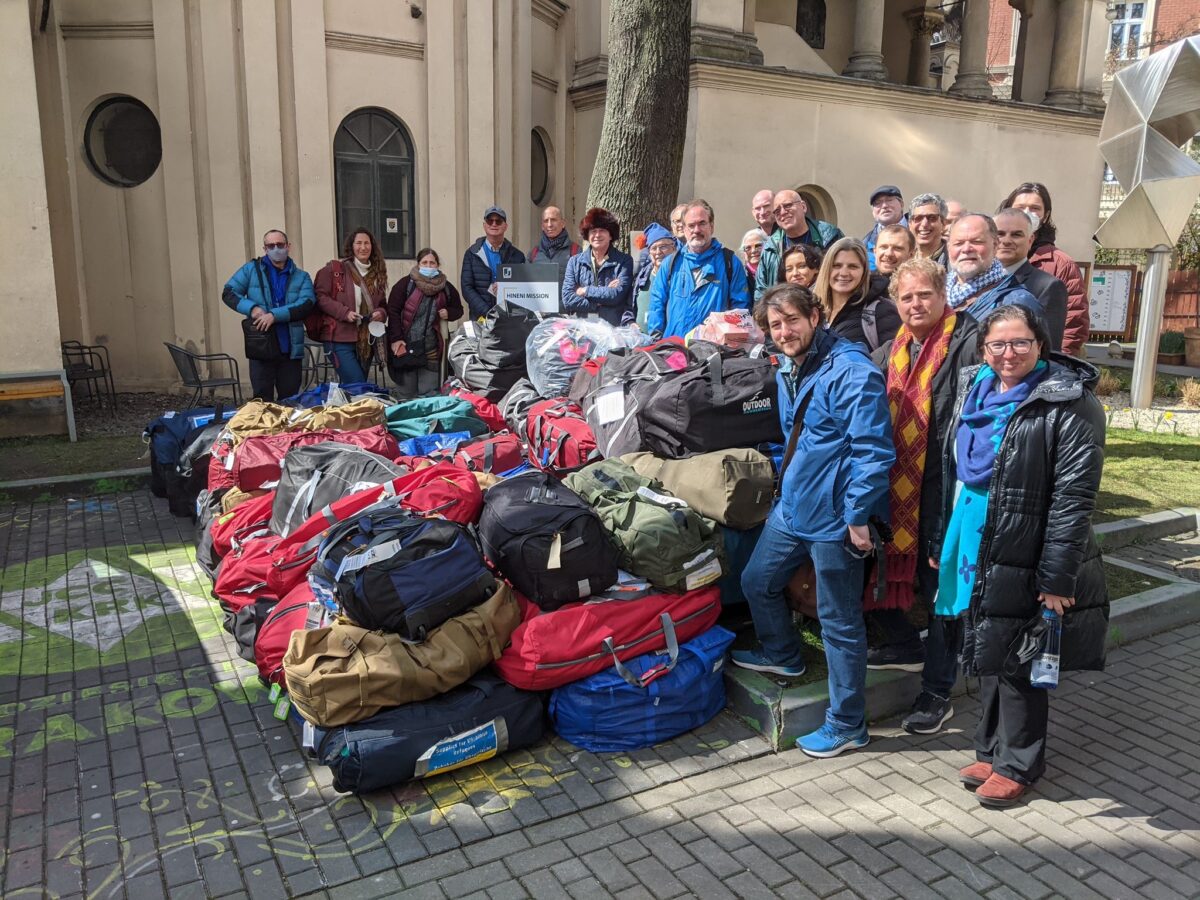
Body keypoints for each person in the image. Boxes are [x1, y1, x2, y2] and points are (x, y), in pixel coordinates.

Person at [941, 304, 1107, 807]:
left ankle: (1020, 764)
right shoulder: (977, 389)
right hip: (975, 534)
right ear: (983, 347)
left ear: (1041, 345)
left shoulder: (1069, 404)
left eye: (1019, 343)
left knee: (1019, 656)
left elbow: (1073, 498)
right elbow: (953, 471)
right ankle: (991, 750)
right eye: (997, 344)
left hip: (1027, 545)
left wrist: (1056, 579)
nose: (1007, 353)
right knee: (989, 647)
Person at [734, 283, 894, 758]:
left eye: (792, 321)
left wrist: (859, 515)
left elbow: (873, 451)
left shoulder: (851, 372)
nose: (784, 331)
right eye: (775, 324)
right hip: (794, 508)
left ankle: (848, 724)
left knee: (839, 623)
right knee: (756, 581)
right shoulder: (791, 364)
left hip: (836, 520)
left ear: (816, 316)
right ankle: (783, 656)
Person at [866, 258, 978, 736]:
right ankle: (906, 647)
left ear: (942, 294)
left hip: (949, 486)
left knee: (941, 591)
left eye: (924, 295)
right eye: (907, 297)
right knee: (899, 576)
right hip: (900, 487)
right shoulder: (893, 350)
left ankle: (937, 691)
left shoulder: (967, 342)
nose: (916, 304)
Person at [222, 229, 315, 401]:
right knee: (261, 402)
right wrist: (252, 309)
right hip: (261, 346)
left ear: (288, 246)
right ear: (264, 249)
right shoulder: (250, 270)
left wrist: (274, 315)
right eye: (271, 246)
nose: (276, 249)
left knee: (290, 401)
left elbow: (307, 304)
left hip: (290, 349)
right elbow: (228, 293)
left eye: (280, 245)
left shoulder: (302, 277)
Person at [1001, 182, 1088, 356]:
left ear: (1046, 215)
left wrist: (1055, 366)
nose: (1027, 213)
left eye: (1034, 208)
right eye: (1020, 207)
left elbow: (1074, 323)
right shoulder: (991, 258)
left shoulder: (1060, 263)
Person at [646, 199, 749, 338]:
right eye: (691, 225)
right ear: (684, 229)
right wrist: (656, 341)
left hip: (714, 350)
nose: (697, 230)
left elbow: (740, 308)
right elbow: (656, 306)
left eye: (702, 223)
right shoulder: (671, 263)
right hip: (675, 349)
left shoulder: (729, 262)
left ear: (711, 226)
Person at [311, 228, 388, 385]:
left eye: (367, 243)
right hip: (339, 338)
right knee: (357, 384)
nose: (363, 247)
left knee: (353, 390)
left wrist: (380, 313)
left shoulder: (378, 274)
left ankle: (345, 409)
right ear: (351, 246)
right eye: (358, 243)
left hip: (366, 341)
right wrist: (344, 313)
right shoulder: (335, 271)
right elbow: (320, 297)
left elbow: (382, 305)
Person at [386, 248, 463, 399]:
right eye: (424, 262)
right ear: (418, 264)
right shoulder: (405, 284)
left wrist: (449, 313)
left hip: (431, 352)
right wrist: (396, 339)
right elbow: (393, 311)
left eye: (432, 263)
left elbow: (458, 309)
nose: (428, 266)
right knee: (405, 396)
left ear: (437, 265)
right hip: (407, 349)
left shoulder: (446, 287)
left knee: (429, 396)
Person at [946, 213, 1043, 325]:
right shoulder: (934, 294)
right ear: (948, 248)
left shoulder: (1017, 301)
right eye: (958, 243)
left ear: (995, 245)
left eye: (977, 242)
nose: (966, 249)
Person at [811, 237, 901, 353]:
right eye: (836, 266)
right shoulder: (813, 310)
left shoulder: (881, 311)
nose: (843, 273)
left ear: (864, 271)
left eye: (853, 266)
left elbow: (893, 360)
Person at [995, 208, 1067, 350]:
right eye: (1000, 234)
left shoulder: (1048, 287)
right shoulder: (977, 280)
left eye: (1016, 235)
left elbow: (1049, 350)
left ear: (1030, 240)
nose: (1006, 240)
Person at [756, 190, 845, 299]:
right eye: (777, 211)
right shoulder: (770, 248)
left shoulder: (830, 236)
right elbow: (761, 292)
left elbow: (842, 275)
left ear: (803, 207)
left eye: (788, 205)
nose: (783, 212)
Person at [561, 207, 634, 326]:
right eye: (593, 231)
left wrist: (585, 290)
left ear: (611, 235)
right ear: (587, 235)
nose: (597, 235)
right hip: (581, 330)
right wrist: (598, 304)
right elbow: (568, 299)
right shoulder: (574, 262)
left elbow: (616, 296)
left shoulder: (624, 261)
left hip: (612, 330)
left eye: (602, 230)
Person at [460, 206, 526, 319]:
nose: (494, 224)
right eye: (490, 221)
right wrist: (487, 312)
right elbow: (467, 288)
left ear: (505, 226)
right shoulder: (471, 254)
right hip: (480, 317)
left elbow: (524, 287)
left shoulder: (518, 256)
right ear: (484, 225)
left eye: (498, 221)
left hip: (509, 318)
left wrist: (506, 287)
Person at [632, 223, 676, 331]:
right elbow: (629, 305)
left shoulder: (678, 277)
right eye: (653, 248)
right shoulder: (642, 276)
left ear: (674, 248)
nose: (658, 252)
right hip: (640, 341)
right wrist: (630, 322)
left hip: (667, 343)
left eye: (663, 247)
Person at [528, 206, 579, 281]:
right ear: (542, 226)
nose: (549, 225)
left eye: (553, 220)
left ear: (563, 223)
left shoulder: (576, 251)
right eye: (546, 221)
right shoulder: (533, 253)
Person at [863, 185, 906, 272]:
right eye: (878, 203)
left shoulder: (921, 231)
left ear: (901, 204)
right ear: (873, 212)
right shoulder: (865, 244)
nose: (884, 206)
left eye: (889, 200)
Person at [908, 193, 949, 268]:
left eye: (931, 218)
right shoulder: (903, 259)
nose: (924, 224)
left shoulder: (953, 261)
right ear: (910, 224)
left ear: (943, 223)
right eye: (918, 218)